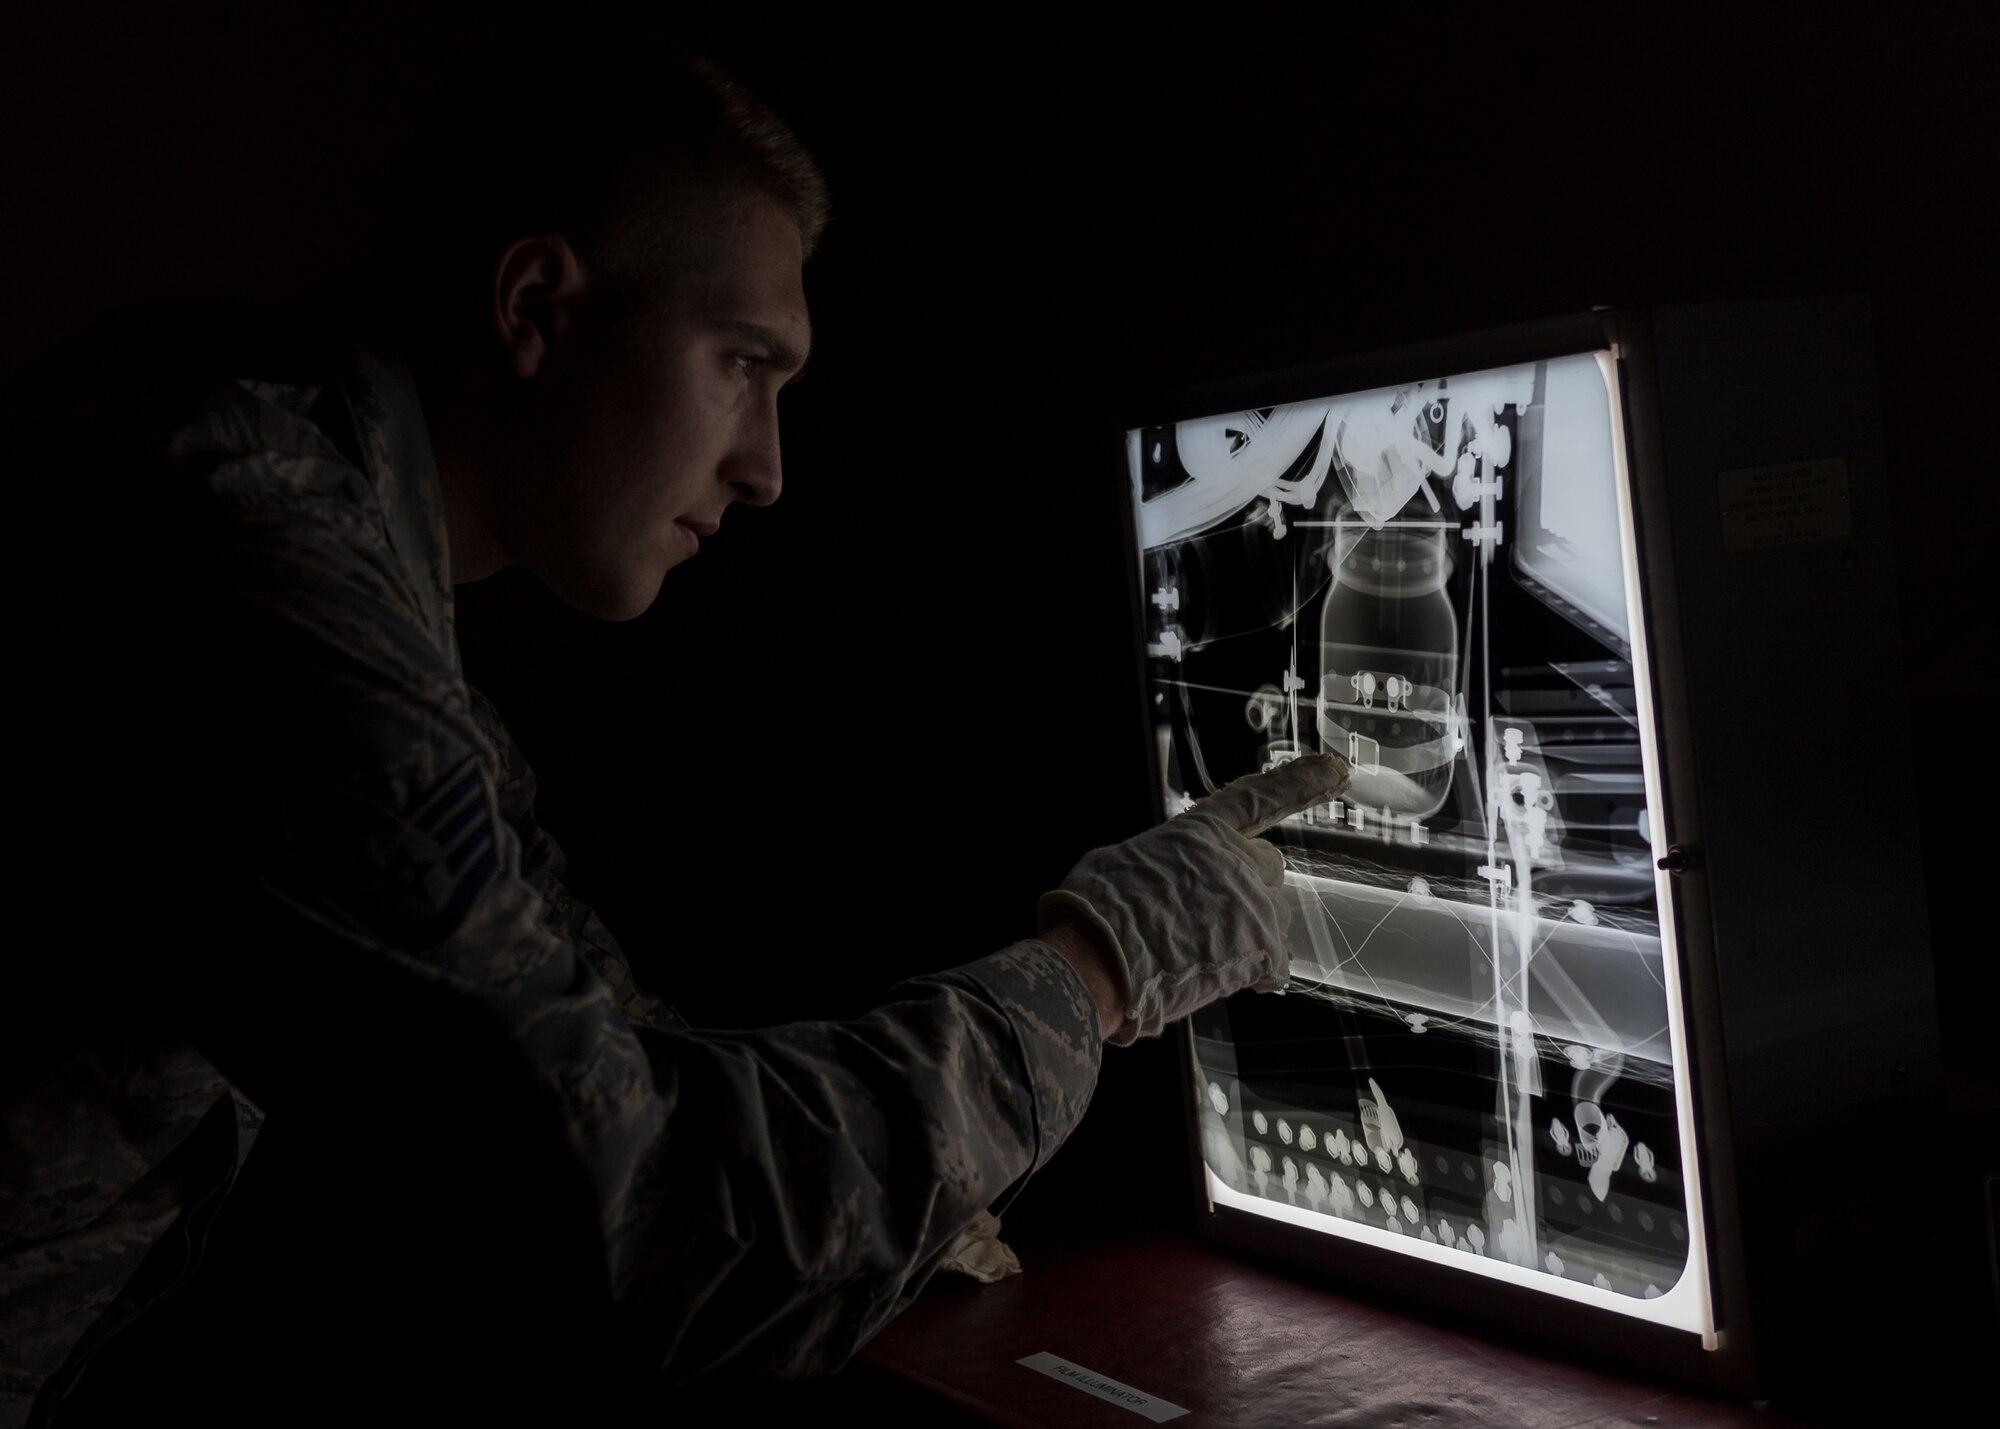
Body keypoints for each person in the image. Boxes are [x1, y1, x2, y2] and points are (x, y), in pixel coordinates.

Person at [0, 33, 1349, 1424]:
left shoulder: (271, 462)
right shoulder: (256, 567)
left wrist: (893, 1188)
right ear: (534, 304)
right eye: (739, 364)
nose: (767, 468)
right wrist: (1104, 964)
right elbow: (637, 1217)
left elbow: (592, 1040)